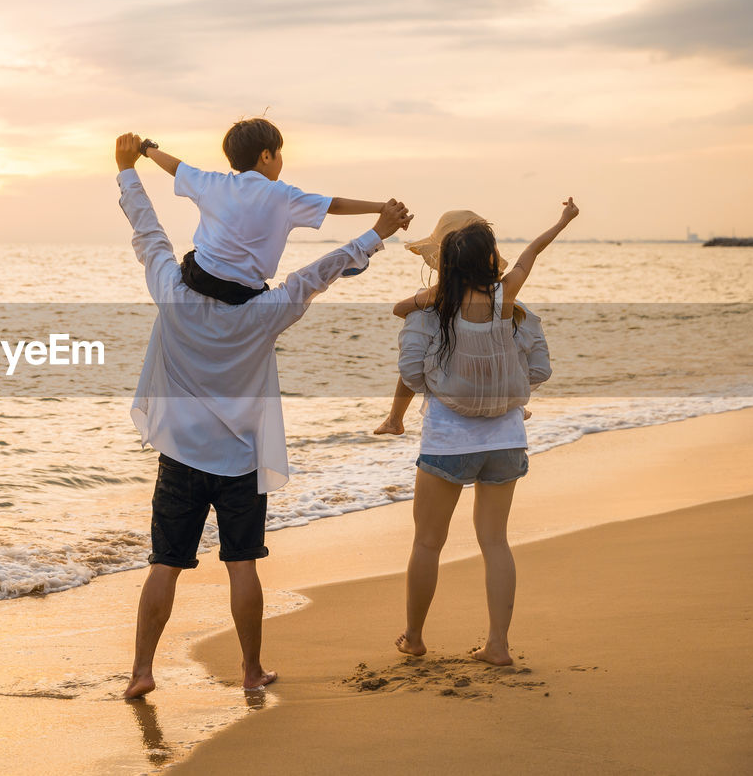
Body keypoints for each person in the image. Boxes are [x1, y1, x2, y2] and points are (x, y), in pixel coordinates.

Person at [112, 133, 412, 698]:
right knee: (243, 564)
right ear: (269, 156)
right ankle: (250, 671)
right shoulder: (266, 311)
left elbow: (148, 231)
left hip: (180, 455)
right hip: (241, 459)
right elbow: (320, 272)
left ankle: (141, 673)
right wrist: (379, 233)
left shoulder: (171, 293)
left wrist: (129, 169)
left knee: (165, 565)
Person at [394, 199, 579, 666]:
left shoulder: (437, 307)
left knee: (427, 543)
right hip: (506, 440)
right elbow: (531, 254)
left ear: (446, 265)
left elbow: (413, 371)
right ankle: (498, 645)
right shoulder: (507, 298)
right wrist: (562, 220)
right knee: (495, 541)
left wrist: (427, 297)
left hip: (448, 442)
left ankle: (414, 637)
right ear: (491, 259)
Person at [136, 118, 401, 304]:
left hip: (198, 278)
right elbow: (335, 204)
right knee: (266, 290)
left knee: (196, 255)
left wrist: (146, 148)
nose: (282, 159)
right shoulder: (283, 196)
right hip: (243, 294)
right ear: (266, 156)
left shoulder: (212, 183)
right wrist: (380, 208)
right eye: (280, 152)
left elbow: (176, 168)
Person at [374, 209, 552, 435]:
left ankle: (394, 419)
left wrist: (436, 303)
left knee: (420, 342)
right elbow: (539, 367)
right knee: (513, 336)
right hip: (504, 383)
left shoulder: (442, 293)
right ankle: (514, 404)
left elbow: (399, 310)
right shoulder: (507, 297)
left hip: (459, 387)